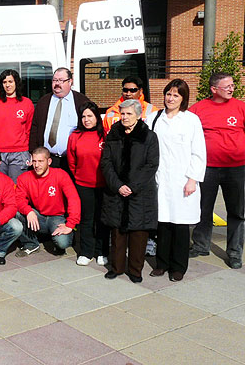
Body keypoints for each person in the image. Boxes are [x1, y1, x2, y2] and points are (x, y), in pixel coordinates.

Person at [146, 79, 206, 281]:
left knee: (180, 225)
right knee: (162, 223)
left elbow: (198, 153)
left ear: (183, 99)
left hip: (183, 180)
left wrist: (193, 179)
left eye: (176, 95)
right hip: (160, 180)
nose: (171, 98)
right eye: (168, 94)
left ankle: (178, 267)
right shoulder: (154, 118)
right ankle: (161, 263)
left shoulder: (191, 120)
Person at [188, 72, 245, 269]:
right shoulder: (198, 109)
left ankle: (235, 252)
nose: (231, 88)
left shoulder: (240, 107)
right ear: (214, 89)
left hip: (237, 168)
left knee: (237, 211)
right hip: (207, 168)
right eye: (227, 85)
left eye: (232, 85)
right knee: (203, 208)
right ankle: (201, 245)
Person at [101, 99, 159, 283]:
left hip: (140, 193)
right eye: (122, 114)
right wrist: (117, 185)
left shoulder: (148, 136)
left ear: (138, 115)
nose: (124, 117)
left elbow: (151, 165)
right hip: (116, 190)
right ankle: (116, 267)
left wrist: (132, 187)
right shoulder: (113, 134)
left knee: (138, 234)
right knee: (117, 233)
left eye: (129, 114)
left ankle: (135, 270)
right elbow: (106, 162)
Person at [15, 147, 81, 256]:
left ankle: (66, 236)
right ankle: (31, 244)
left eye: (40, 161)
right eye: (34, 161)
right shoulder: (24, 178)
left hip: (57, 217)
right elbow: (18, 199)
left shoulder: (61, 175)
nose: (36, 165)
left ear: (49, 161)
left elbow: (73, 199)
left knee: (62, 243)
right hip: (38, 215)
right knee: (16, 213)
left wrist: (70, 224)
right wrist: (28, 211)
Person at [67, 101, 110, 266]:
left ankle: (102, 252)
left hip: (103, 185)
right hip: (83, 185)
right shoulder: (75, 136)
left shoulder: (105, 135)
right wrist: (79, 177)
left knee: (102, 219)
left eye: (90, 116)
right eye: (83, 116)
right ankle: (86, 252)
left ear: (97, 117)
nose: (86, 119)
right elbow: (72, 162)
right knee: (86, 219)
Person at [29, 67, 90, 172]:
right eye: (54, 80)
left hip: (71, 161)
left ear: (70, 81)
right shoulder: (44, 101)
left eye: (61, 80)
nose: (57, 83)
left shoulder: (81, 101)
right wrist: (33, 152)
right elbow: (35, 127)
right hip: (47, 161)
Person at [0, 70, 34, 182]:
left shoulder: (27, 103)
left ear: (16, 82)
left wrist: (29, 151)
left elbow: (29, 129)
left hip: (19, 153)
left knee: (16, 188)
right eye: (4, 82)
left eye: (10, 81)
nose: (7, 85)